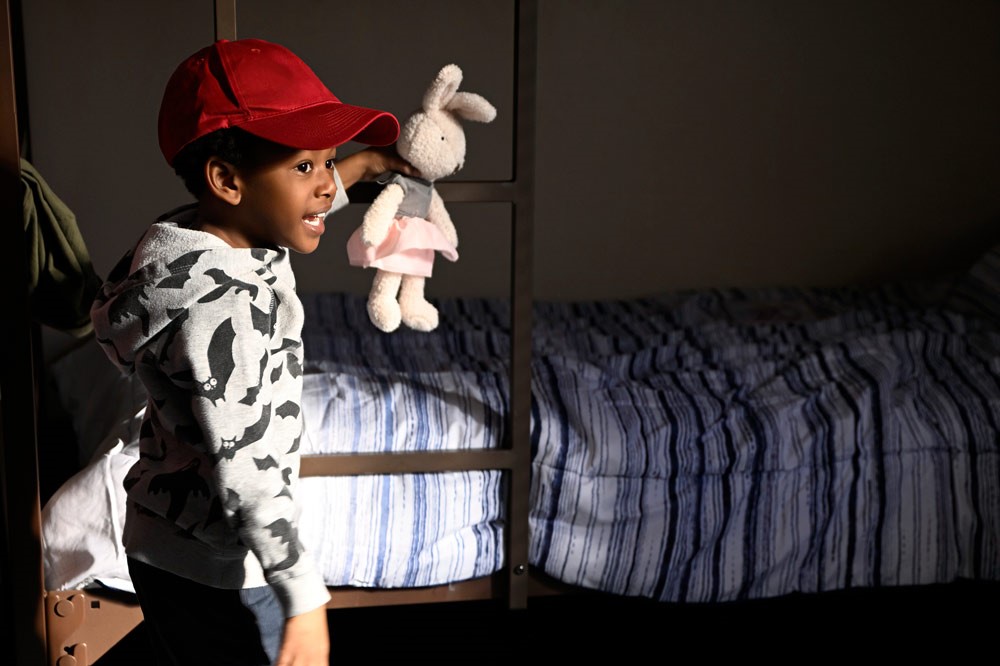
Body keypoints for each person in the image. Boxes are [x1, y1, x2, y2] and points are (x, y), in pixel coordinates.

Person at [90, 38, 414, 665]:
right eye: (305, 167)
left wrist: (362, 167)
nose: (324, 185)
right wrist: (304, 595)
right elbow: (247, 464)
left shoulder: (187, 245)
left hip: (167, 541)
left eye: (329, 162)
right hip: (220, 568)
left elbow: (282, 207)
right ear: (227, 179)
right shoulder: (226, 304)